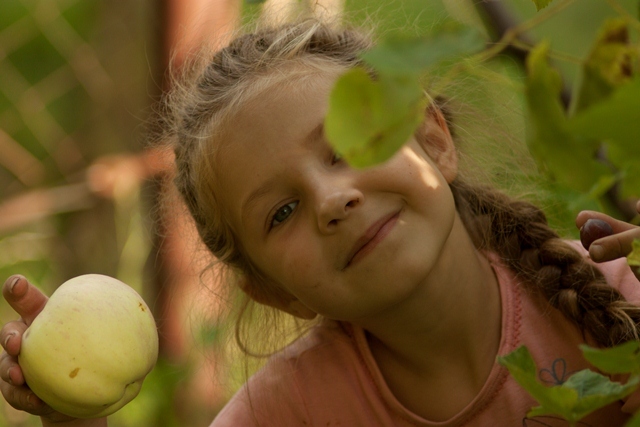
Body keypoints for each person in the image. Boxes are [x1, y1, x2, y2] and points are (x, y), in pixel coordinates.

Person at [1, 18, 640, 427]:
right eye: (281, 213)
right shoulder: (293, 412)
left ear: (431, 141)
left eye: (351, 145)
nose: (331, 200)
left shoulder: (617, 293)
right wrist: (78, 418)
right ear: (273, 289)